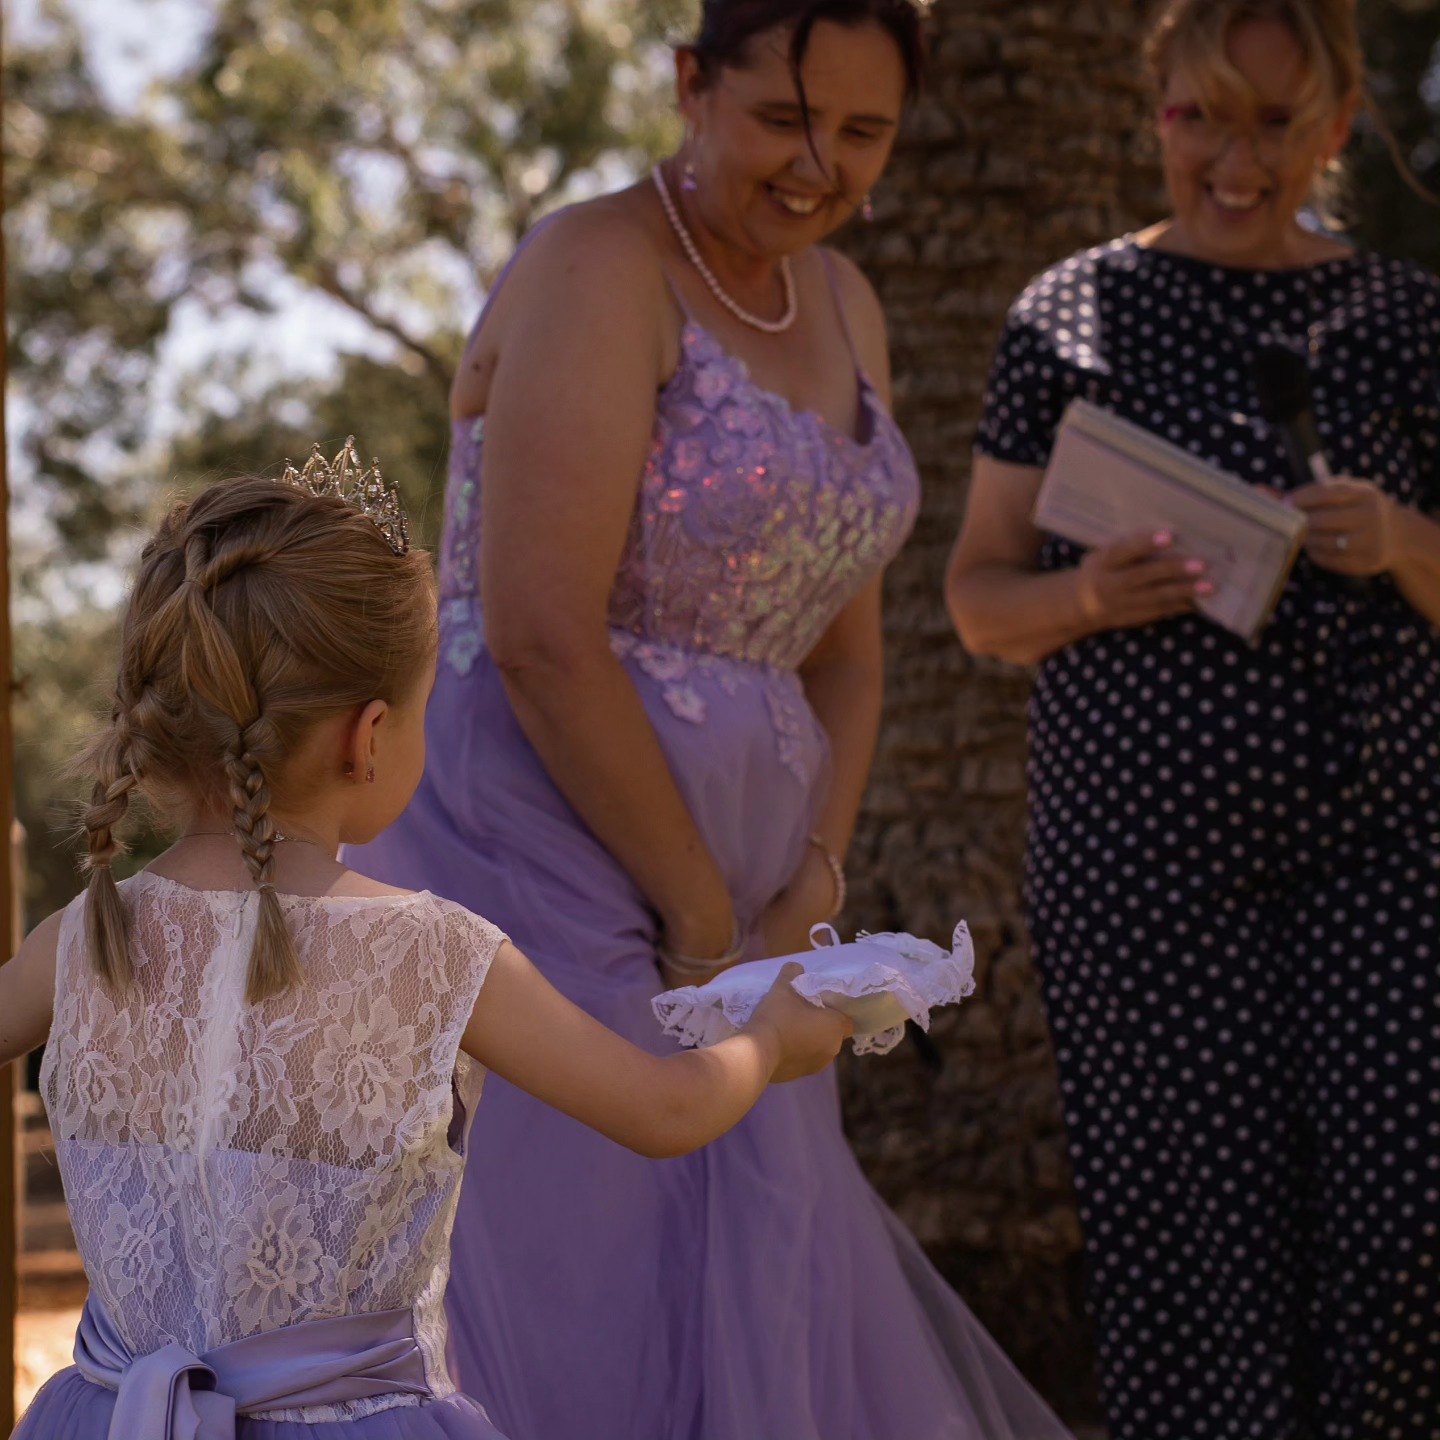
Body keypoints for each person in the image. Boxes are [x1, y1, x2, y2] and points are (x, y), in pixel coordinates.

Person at [343, 3, 1072, 1437]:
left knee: (759, 1255)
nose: (823, 167)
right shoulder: (596, 266)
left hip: (754, 882)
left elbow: (846, 647)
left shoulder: (846, 302)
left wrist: (816, 877)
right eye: (785, 120)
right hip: (544, 846)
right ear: (689, 84)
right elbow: (547, 638)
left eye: (865, 132)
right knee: (593, 1266)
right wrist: (696, 917)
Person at [0, 461, 854, 1440]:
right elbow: (664, 1108)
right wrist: (775, 1039)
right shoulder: (436, 955)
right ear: (367, 738)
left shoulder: (81, 940)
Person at [946, 2, 1440, 1436]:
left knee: (1405, 1219)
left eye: (1276, 123)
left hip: (1385, 851)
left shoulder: (1408, 318)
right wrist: (1092, 591)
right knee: (1191, 1259)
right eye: (1200, 118)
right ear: (1151, 108)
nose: (1235, 159)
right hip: (1140, 871)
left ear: (1337, 127)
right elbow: (980, 604)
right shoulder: (1069, 312)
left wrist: (1402, 537)